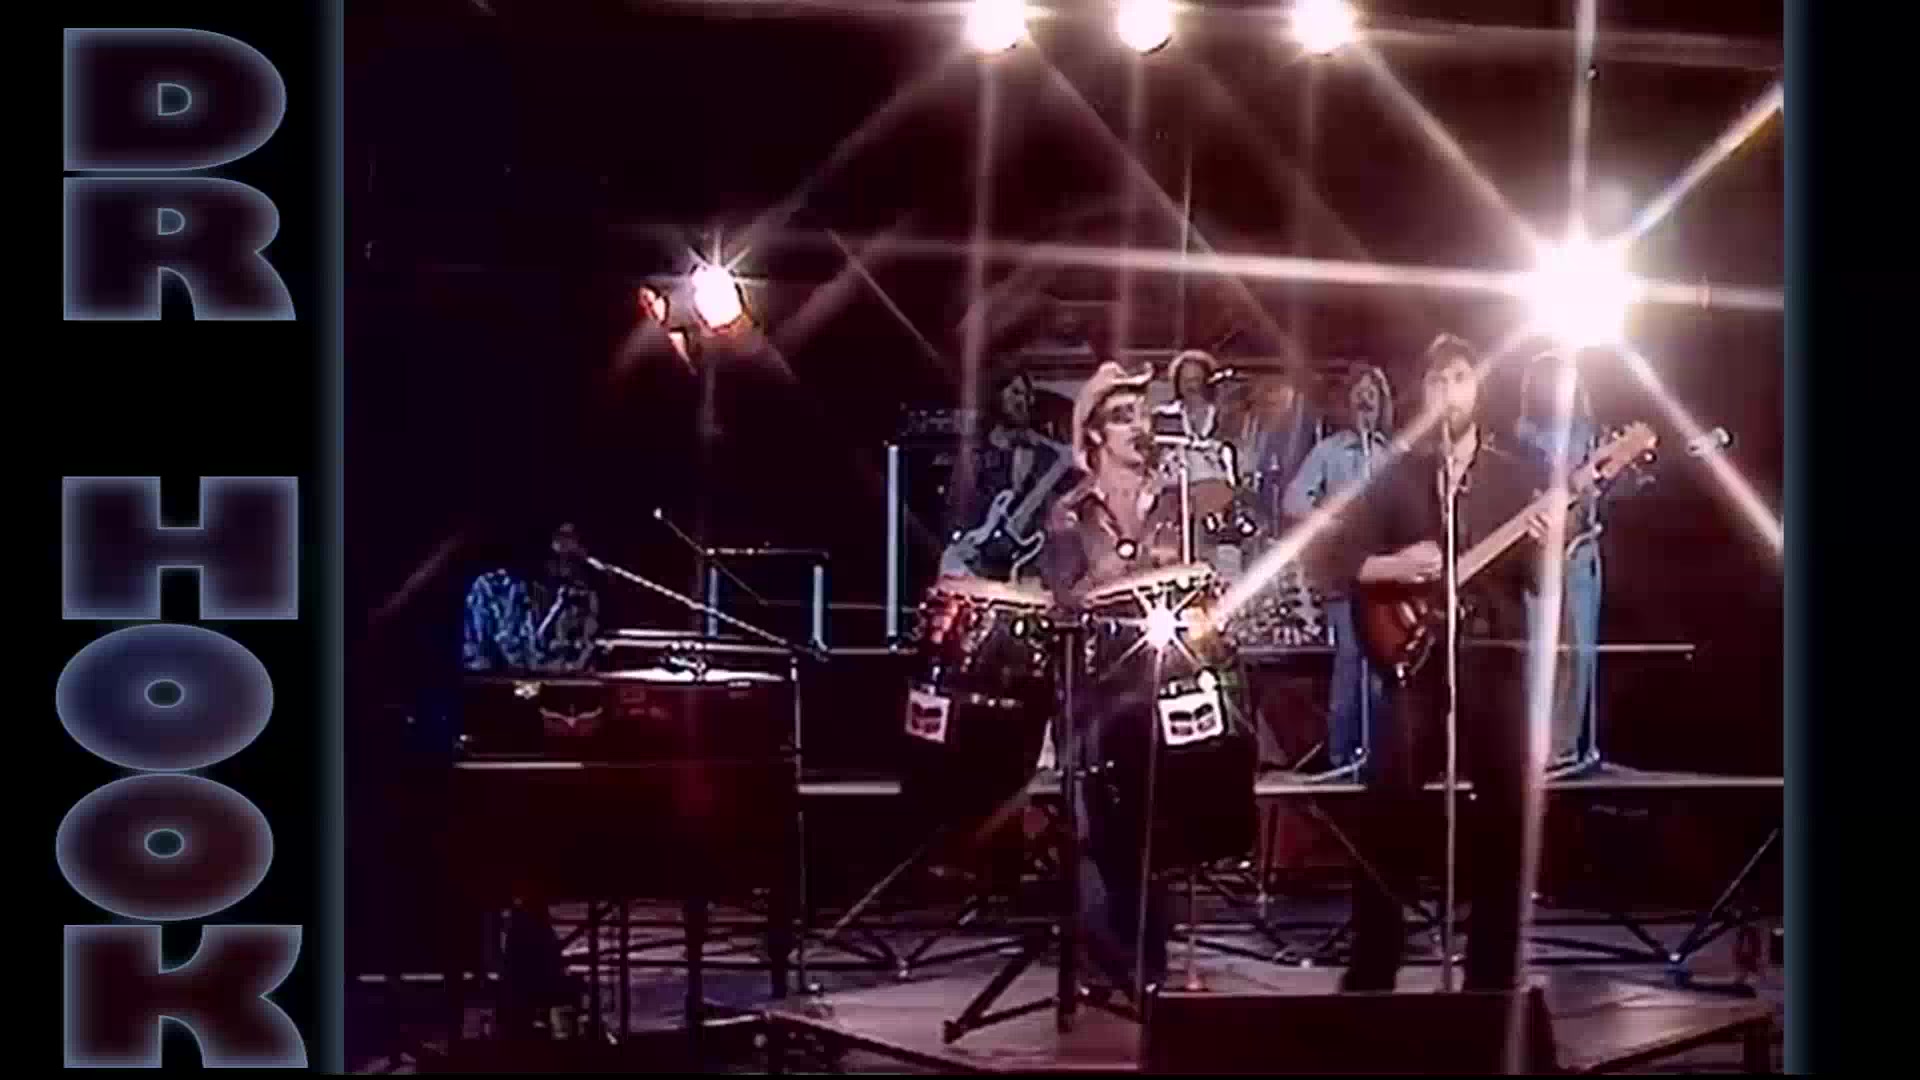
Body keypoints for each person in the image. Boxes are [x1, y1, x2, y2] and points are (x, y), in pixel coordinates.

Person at [1319, 334, 1552, 993]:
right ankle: (1373, 964)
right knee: (1388, 801)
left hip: (1493, 653)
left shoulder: (1514, 477)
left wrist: (1549, 545)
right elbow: (1340, 563)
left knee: (1507, 806)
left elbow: (1537, 582)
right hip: (1415, 661)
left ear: (1478, 387)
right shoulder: (1396, 477)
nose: (1449, 390)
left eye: (1460, 377)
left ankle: (1493, 972)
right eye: (1437, 380)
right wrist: (1397, 564)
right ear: (1422, 393)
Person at [1037, 361, 1185, 1001]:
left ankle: (1152, 964)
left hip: (1158, 682)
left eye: (1142, 415)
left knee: (1158, 821)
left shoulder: (1171, 501)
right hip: (1094, 686)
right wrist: (1111, 584)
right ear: (1095, 433)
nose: (1138, 427)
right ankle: (1104, 963)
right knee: (1098, 827)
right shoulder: (1070, 513)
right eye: (1124, 417)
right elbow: (1062, 599)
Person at [1512, 351, 1643, 767]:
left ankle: (1569, 748)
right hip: (1537, 554)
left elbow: (1609, 492)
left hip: (1581, 552)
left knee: (1579, 650)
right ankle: (1536, 749)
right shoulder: (1522, 436)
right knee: (1542, 652)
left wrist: (1624, 470)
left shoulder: (1590, 434)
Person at [1283, 364, 1395, 772]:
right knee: (1350, 664)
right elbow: (1293, 502)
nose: (1366, 399)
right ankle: (1341, 756)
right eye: (1359, 393)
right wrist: (1333, 522)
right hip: (1345, 576)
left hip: (1386, 579)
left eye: (1373, 394)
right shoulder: (1329, 452)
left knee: (1382, 671)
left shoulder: (1390, 453)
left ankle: (1377, 757)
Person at [941, 367, 1076, 582]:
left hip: (1030, 567)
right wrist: (963, 540)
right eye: (1014, 392)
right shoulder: (976, 455)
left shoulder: (1048, 455)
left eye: (1025, 395)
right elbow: (957, 508)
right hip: (978, 563)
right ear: (996, 397)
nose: (1022, 401)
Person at [460, 522, 601, 674]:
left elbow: (584, 664)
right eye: (562, 536)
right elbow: (476, 663)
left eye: (574, 538)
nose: (568, 547)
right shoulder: (492, 589)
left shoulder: (582, 596)